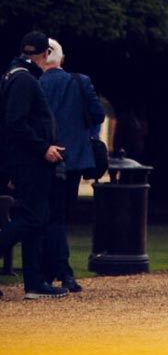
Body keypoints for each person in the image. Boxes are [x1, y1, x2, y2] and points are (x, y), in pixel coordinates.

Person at [0, 31, 67, 299]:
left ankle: (34, 282)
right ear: (45, 54)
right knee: (33, 217)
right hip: (30, 161)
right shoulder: (25, 80)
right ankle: (35, 282)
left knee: (35, 220)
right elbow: (16, 122)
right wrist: (43, 147)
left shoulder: (11, 75)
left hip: (23, 160)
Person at [38, 39, 104, 293]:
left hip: (45, 156)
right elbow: (97, 115)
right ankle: (62, 272)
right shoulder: (80, 81)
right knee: (60, 215)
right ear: (62, 60)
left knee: (51, 216)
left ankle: (51, 271)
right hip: (75, 157)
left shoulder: (38, 83)